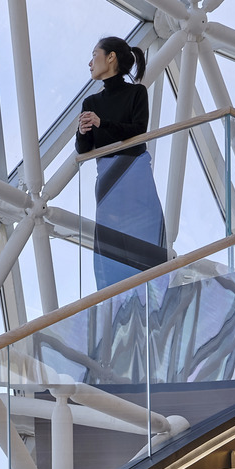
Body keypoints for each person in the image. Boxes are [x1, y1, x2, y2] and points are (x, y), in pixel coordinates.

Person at [76, 36, 167, 290]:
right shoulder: (91, 103)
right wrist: (83, 132)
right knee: (111, 247)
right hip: (108, 179)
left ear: (111, 57)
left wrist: (101, 124)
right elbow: (85, 149)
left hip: (134, 175)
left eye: (95, 54)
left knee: (145, 242)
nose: (90, 62)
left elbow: (137, 131)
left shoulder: (136, 93)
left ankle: (154, 297)